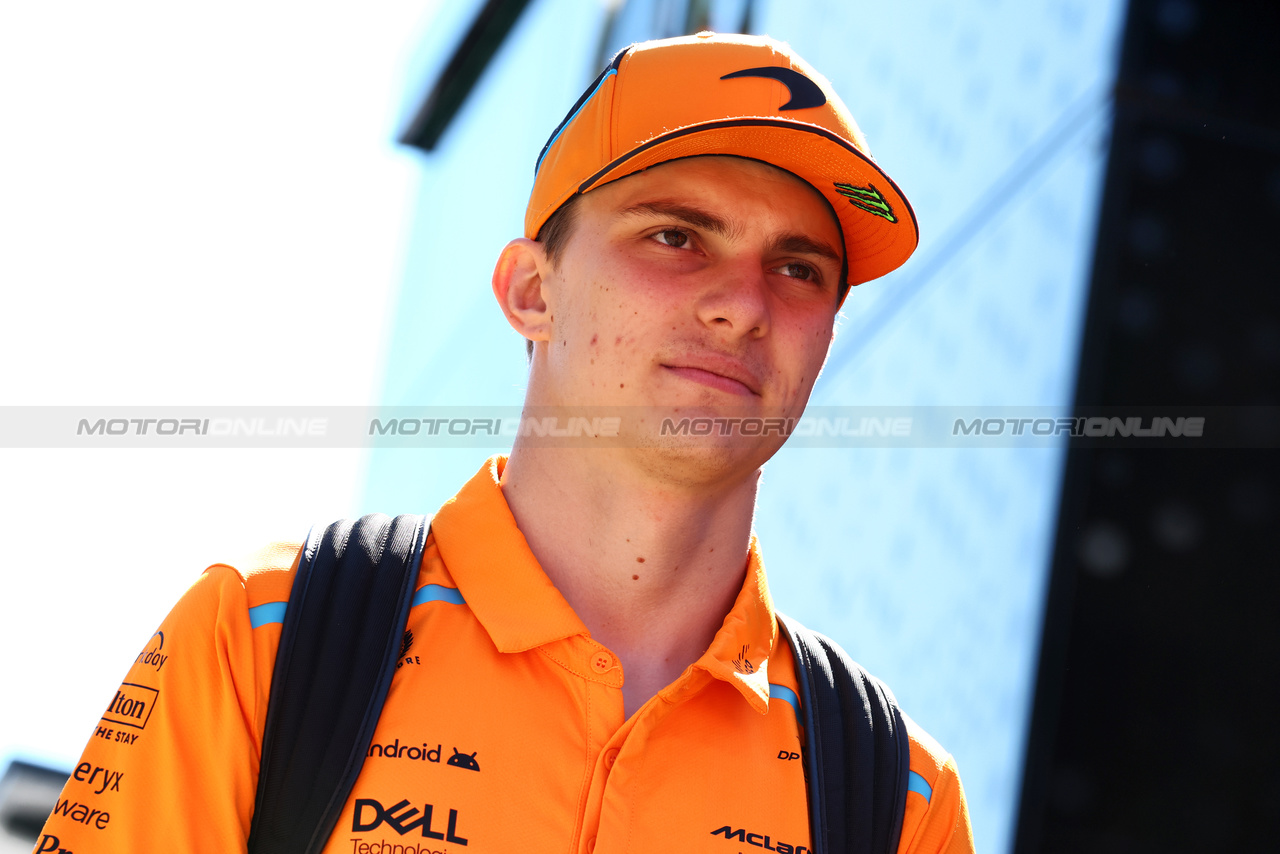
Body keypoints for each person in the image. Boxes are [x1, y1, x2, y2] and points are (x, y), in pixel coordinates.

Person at [37, 32, 974, 854]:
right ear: (531, 290)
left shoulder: (900, 796)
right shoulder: (261, 635)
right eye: (677, 236)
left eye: (798, 267)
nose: (744, 304)